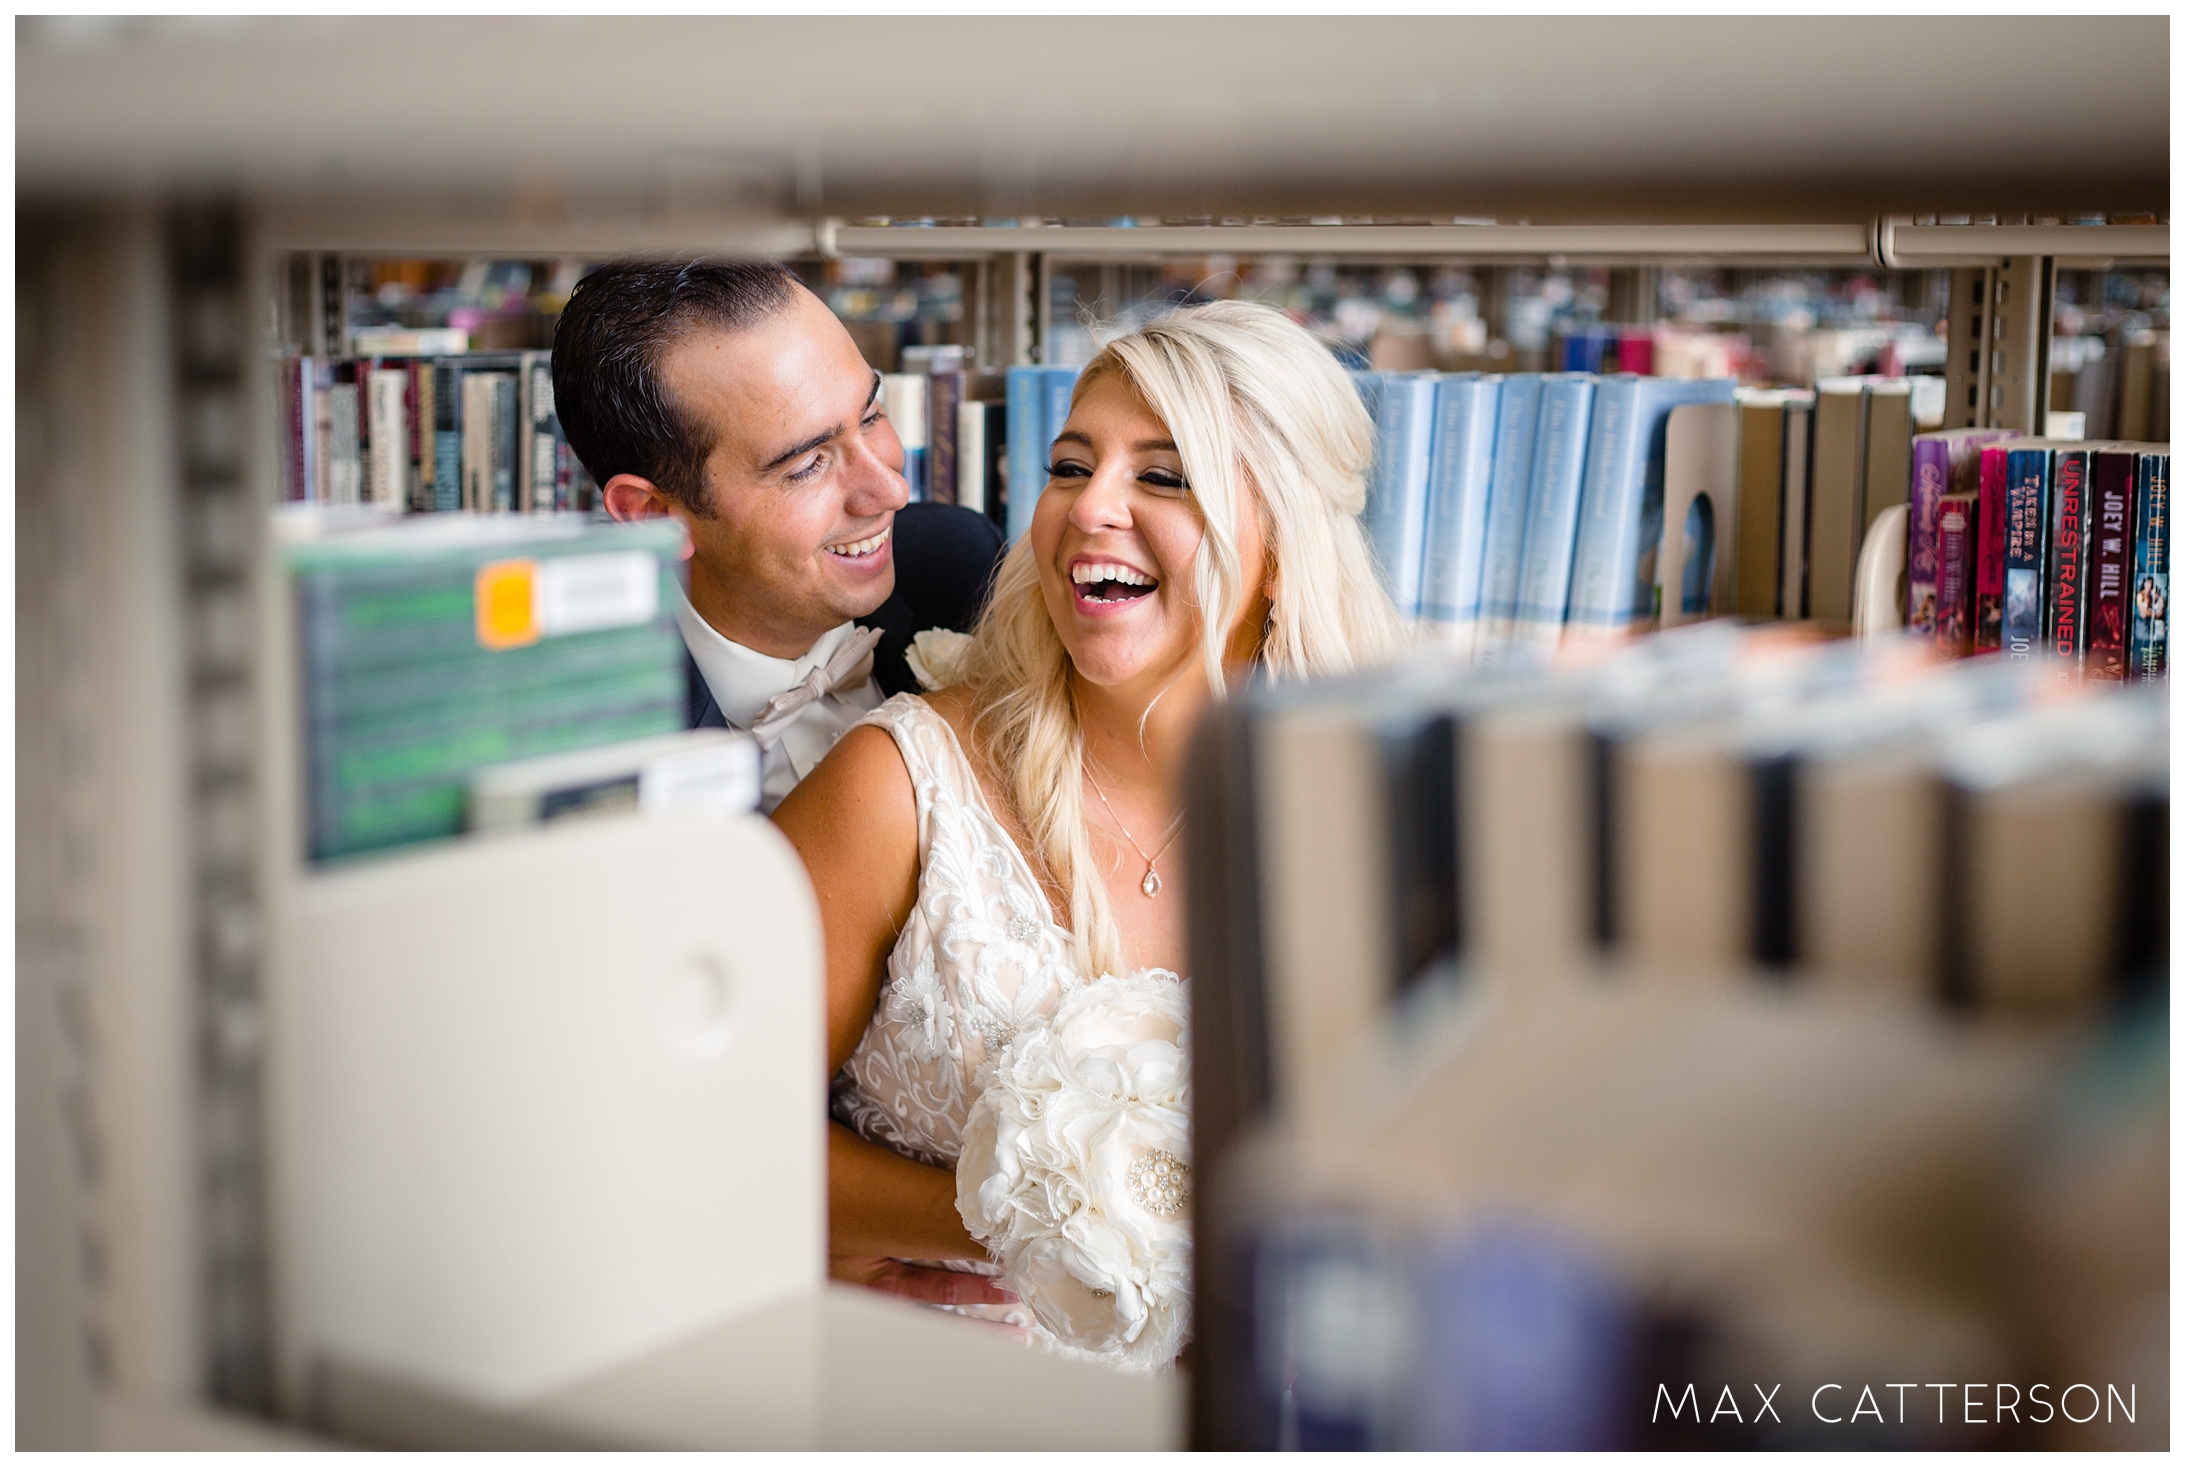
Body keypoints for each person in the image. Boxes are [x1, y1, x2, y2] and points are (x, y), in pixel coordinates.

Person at [773, 299, 1411, 1329]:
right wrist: (1044, 1225)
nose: (1089, 508)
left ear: (1284, 545)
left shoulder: (1393, 814)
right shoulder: (898, 787)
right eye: (1071, 467)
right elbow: (701, 1120)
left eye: (1163, 477)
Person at [552, 259, 1004, 814]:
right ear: (654, 516)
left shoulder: (966, 570)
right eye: (808, 465)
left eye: (870, 416)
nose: (891, 491)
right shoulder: (587, 750)